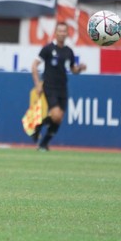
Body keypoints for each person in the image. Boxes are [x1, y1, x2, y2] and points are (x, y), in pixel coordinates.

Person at [31, 22, 86, 151]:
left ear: (67, 33)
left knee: (59, 119)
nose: (62, 33)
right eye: (59, 31)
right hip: (50, 86)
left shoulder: (69, 51)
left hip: (63, 87)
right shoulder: (48, 49)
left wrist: (80, 69)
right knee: (55, 115)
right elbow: (34, 65)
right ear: (55, 33)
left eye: (64, 31)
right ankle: (38, 127)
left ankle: (43, 143)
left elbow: (73, 70)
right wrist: (38, 84)